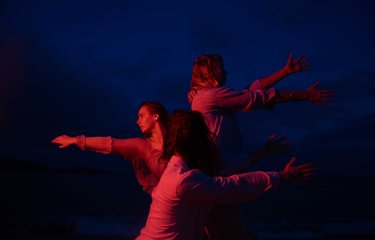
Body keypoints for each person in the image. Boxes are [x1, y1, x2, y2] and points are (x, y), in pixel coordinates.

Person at [188, 53, 334, 239]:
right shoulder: (210, 96)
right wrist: (305, 95)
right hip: (220, 186)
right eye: (221, 68)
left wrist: (284, 72)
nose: (226, 71)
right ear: (212, 72)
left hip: (220, 180)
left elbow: (248, 92)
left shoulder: (205, 98)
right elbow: (255, 98)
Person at [136, 110, 315, 240]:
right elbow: (232, 186)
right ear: (197, 141)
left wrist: (264, 151)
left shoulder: (178, 169)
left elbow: (227, 168)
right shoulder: (183, 180)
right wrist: (282, 176)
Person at [51, 101, 169, 194]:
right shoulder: (141, 146)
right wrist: (75, 140)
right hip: (164, 209)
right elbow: (109, 144)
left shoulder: (177, 141)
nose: (137, 121)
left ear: (155, 116)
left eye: (141, 116)